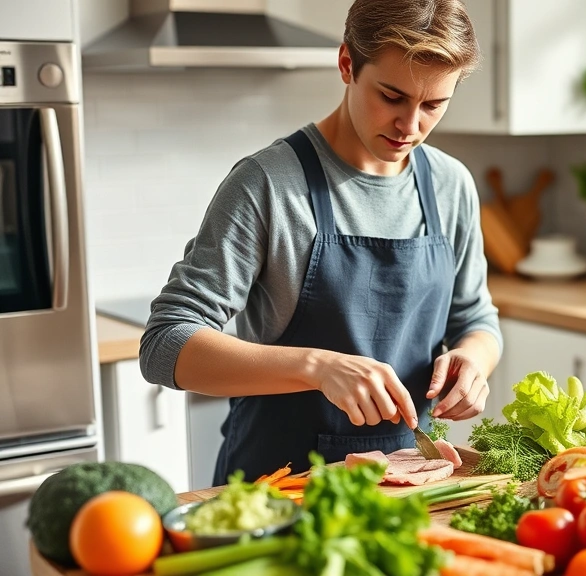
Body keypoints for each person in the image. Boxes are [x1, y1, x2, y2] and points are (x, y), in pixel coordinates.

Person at [140, 0, 502, 485]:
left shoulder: (449, 185)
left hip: (407, 486)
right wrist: (316, 367)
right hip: (278, 489)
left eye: (433, 105)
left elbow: (476, 319)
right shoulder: (268, 184)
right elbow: (164, 343)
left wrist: (474, 361)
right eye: (392, 97)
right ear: (347, 63)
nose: (411, 126)